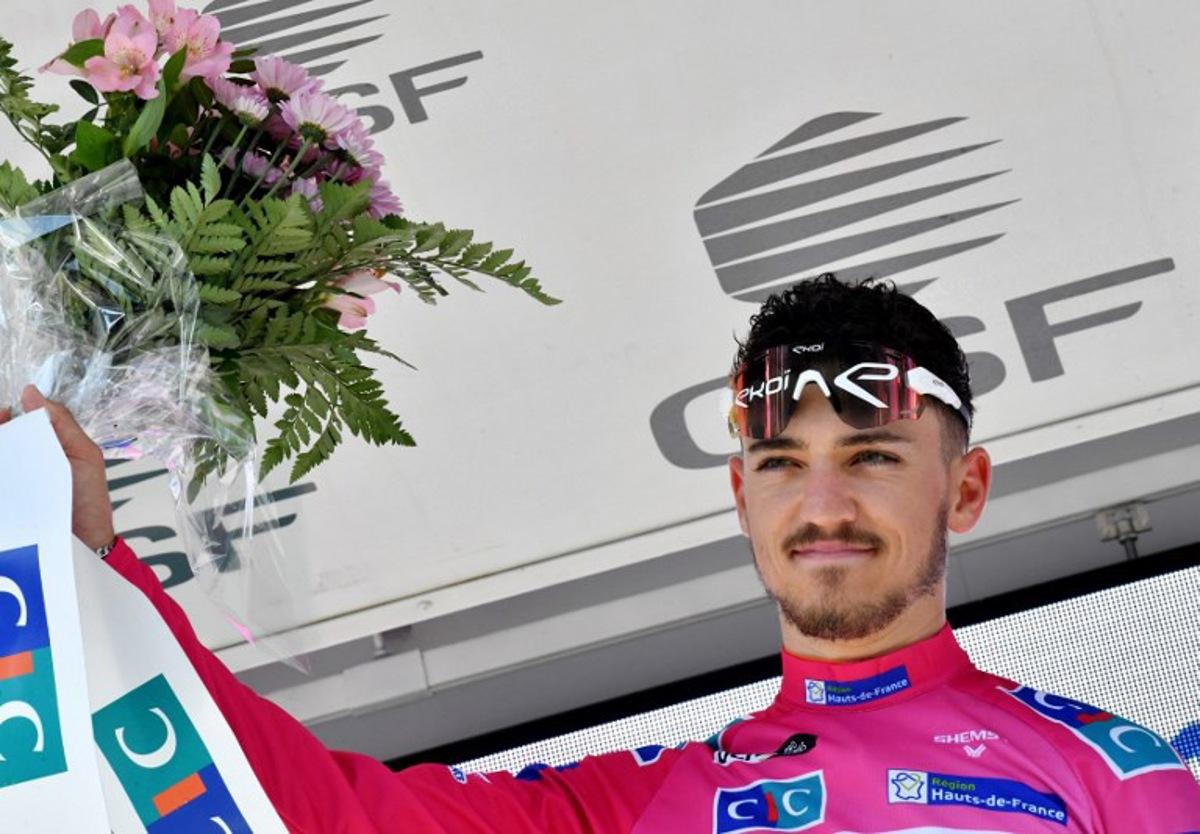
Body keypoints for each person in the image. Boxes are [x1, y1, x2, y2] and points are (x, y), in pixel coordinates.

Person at [9, 274, 1200, 832]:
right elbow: (323, 814)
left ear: (968, 486)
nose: (822, 501)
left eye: (877, 456)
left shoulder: (1113, 772)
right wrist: (98, 570)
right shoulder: (634, 807)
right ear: (741, 499)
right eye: (782, 463)